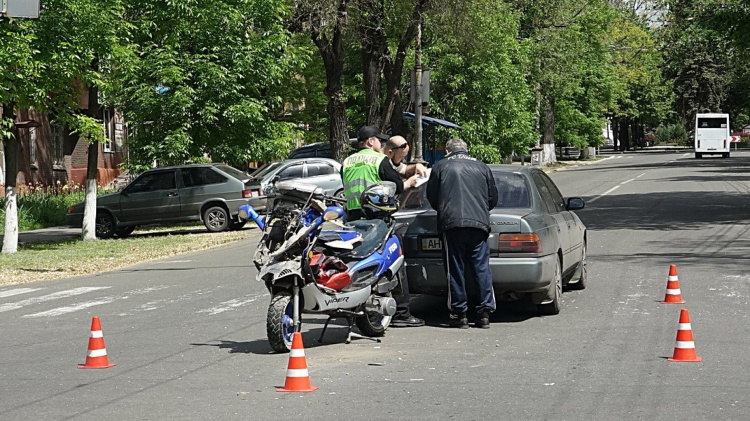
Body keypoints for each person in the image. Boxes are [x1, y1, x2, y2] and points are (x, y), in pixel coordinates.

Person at [341, 125, 424, 328]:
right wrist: (410, 182)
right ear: (371, 142)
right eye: (379, 140)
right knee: (394, 258)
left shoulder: (346, 162)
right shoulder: (379, 159)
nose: (382, 144)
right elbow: (396, 184)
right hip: (377, 219)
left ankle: (355, 307)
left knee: (357, 262)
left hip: (352, 219)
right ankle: (402, 313)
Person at [426, 138, 498, 329]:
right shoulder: (481, 167)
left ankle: (460, 314)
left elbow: (432, 197)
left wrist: (444, 210)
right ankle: (484, 313)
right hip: (479, 224)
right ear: (466, 150)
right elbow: (493, 198)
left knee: (455, 269)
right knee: (481, 268)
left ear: (448, 150)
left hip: (452, 225)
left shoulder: (440, 166)